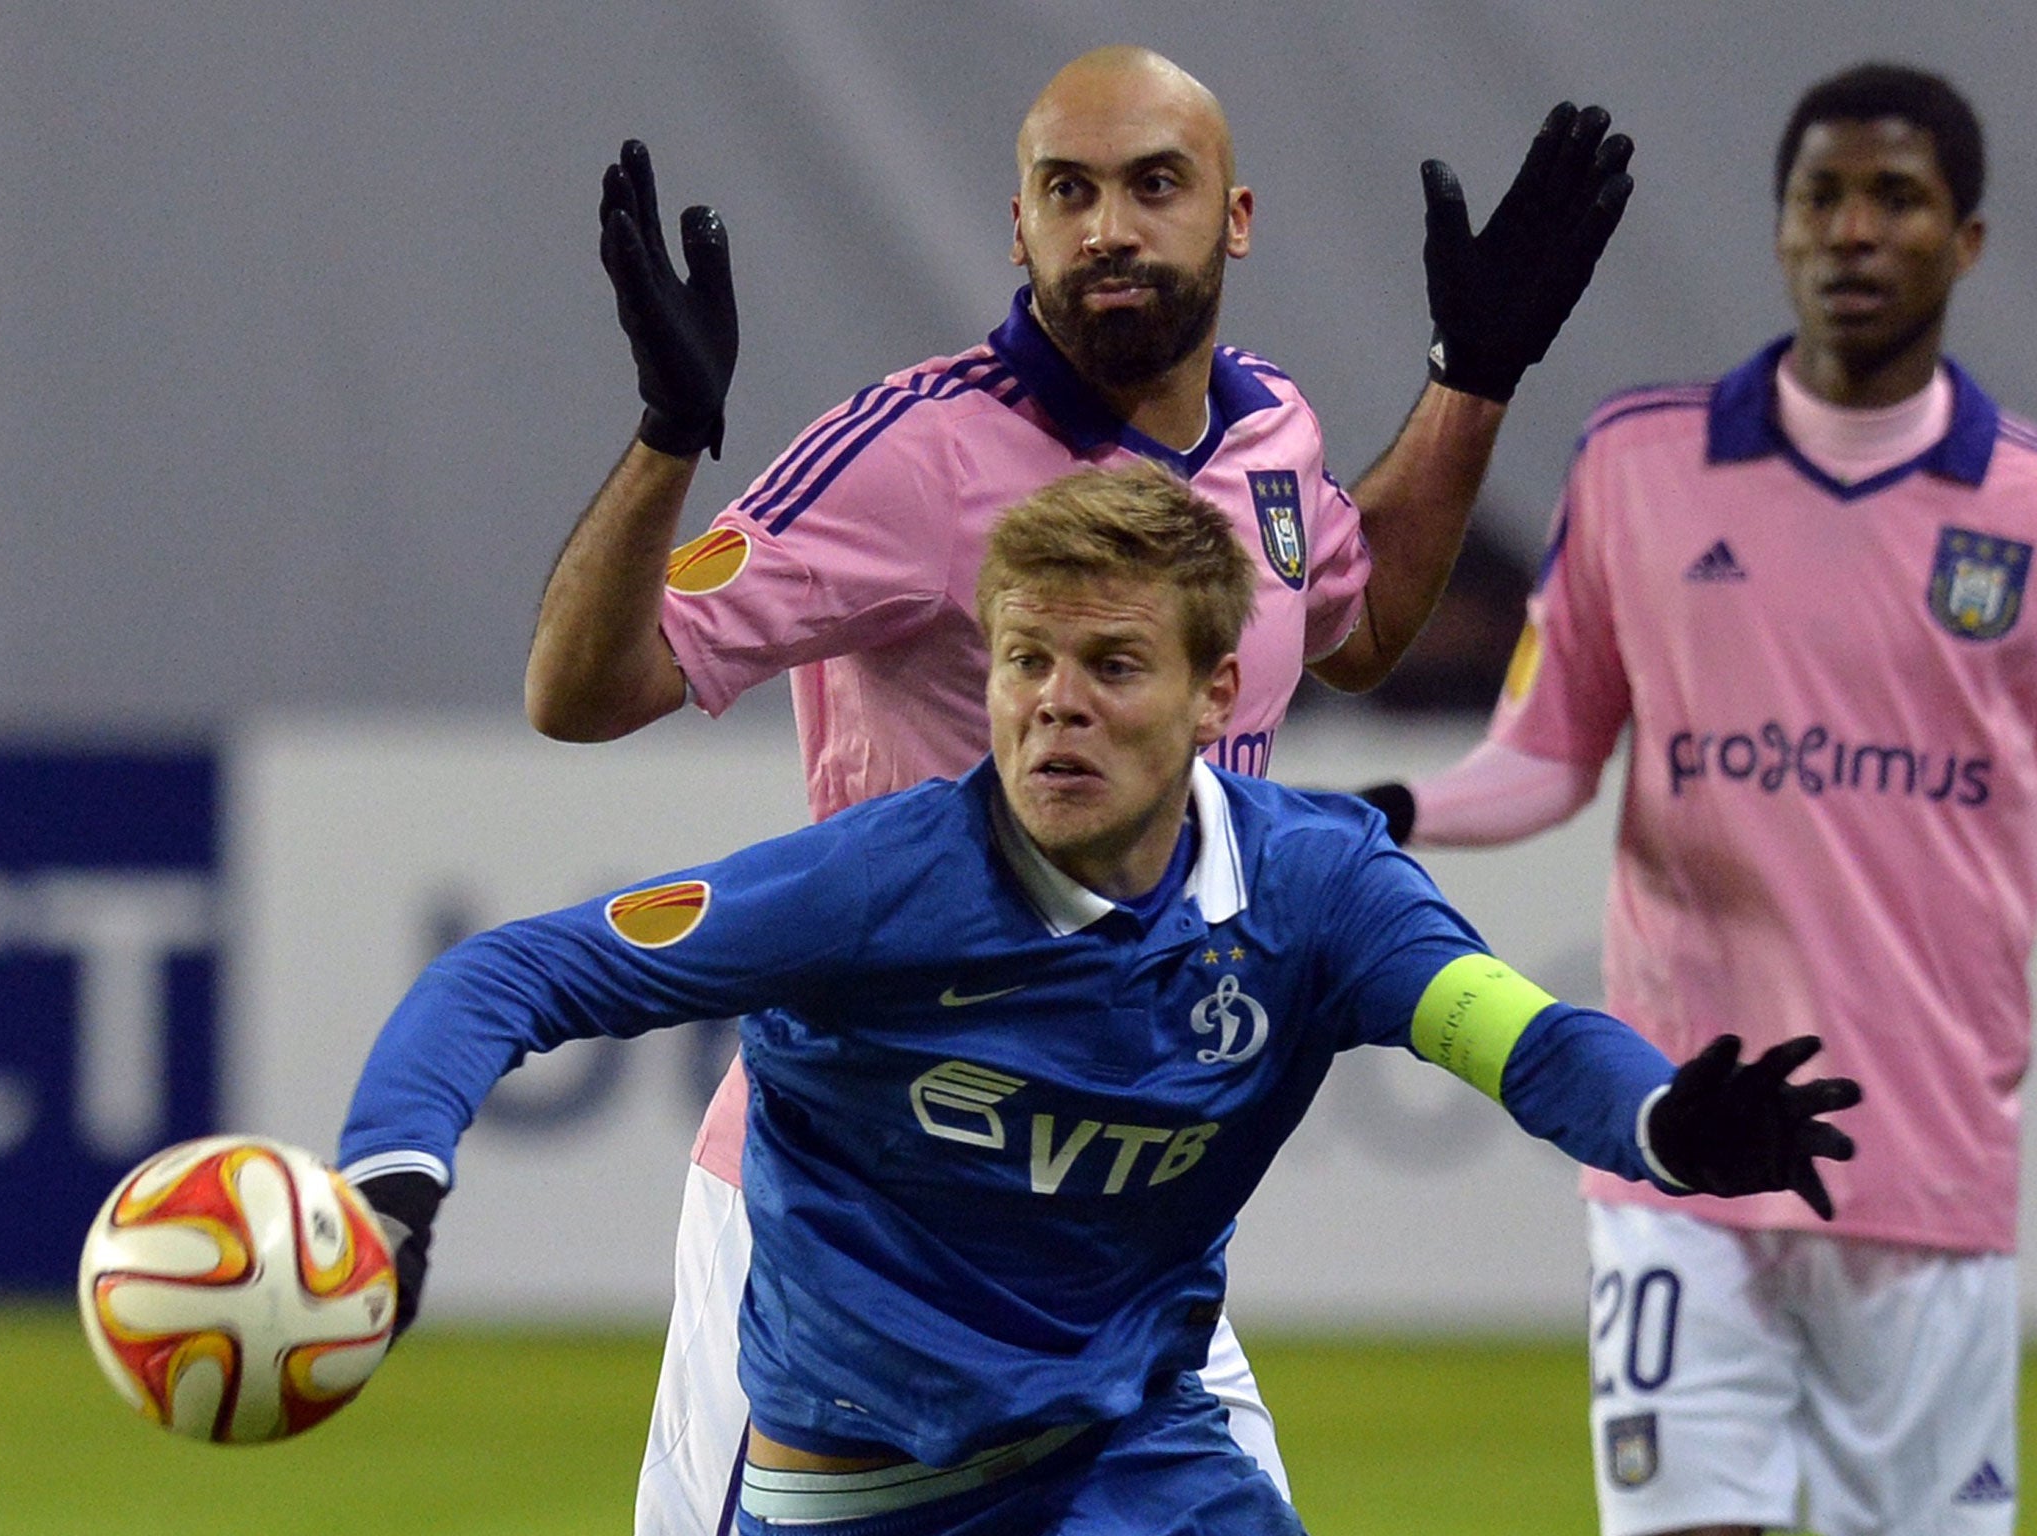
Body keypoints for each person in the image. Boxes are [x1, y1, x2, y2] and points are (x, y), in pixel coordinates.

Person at [512, 44, 1637, 1533]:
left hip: (1116, 1216)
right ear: (1020, 227)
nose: (1110, 224)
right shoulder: (909, 455)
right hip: (853, 1220)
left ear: (1234, 219)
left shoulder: (1273, 438)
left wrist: (1473, 380)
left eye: (1153, 185)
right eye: (1070, 190)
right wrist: (666, 436)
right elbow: (580, 692)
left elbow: (1355, 633)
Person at [341, 463, 1858, 1536]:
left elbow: (1507, 1032)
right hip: (854, 1493)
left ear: (1214, 694)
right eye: (1024, 661)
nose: (1056, 701)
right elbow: (514, 970)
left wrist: (1655, 1116)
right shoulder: (873, 889)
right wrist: (393, 1183)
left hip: (1130, 1464)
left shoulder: (1315, 889)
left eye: (1112, 664)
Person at [1357, 62, 2033, 1536]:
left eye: (1897, 199)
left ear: (1966, 239)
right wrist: (1393, 809)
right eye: (1822, 197)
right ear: (1783, 229)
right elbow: (1551, 752)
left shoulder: (2026, 513)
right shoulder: (1644, 462)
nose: (1854, 230)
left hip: (1925, 1165)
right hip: (1681, 1138)